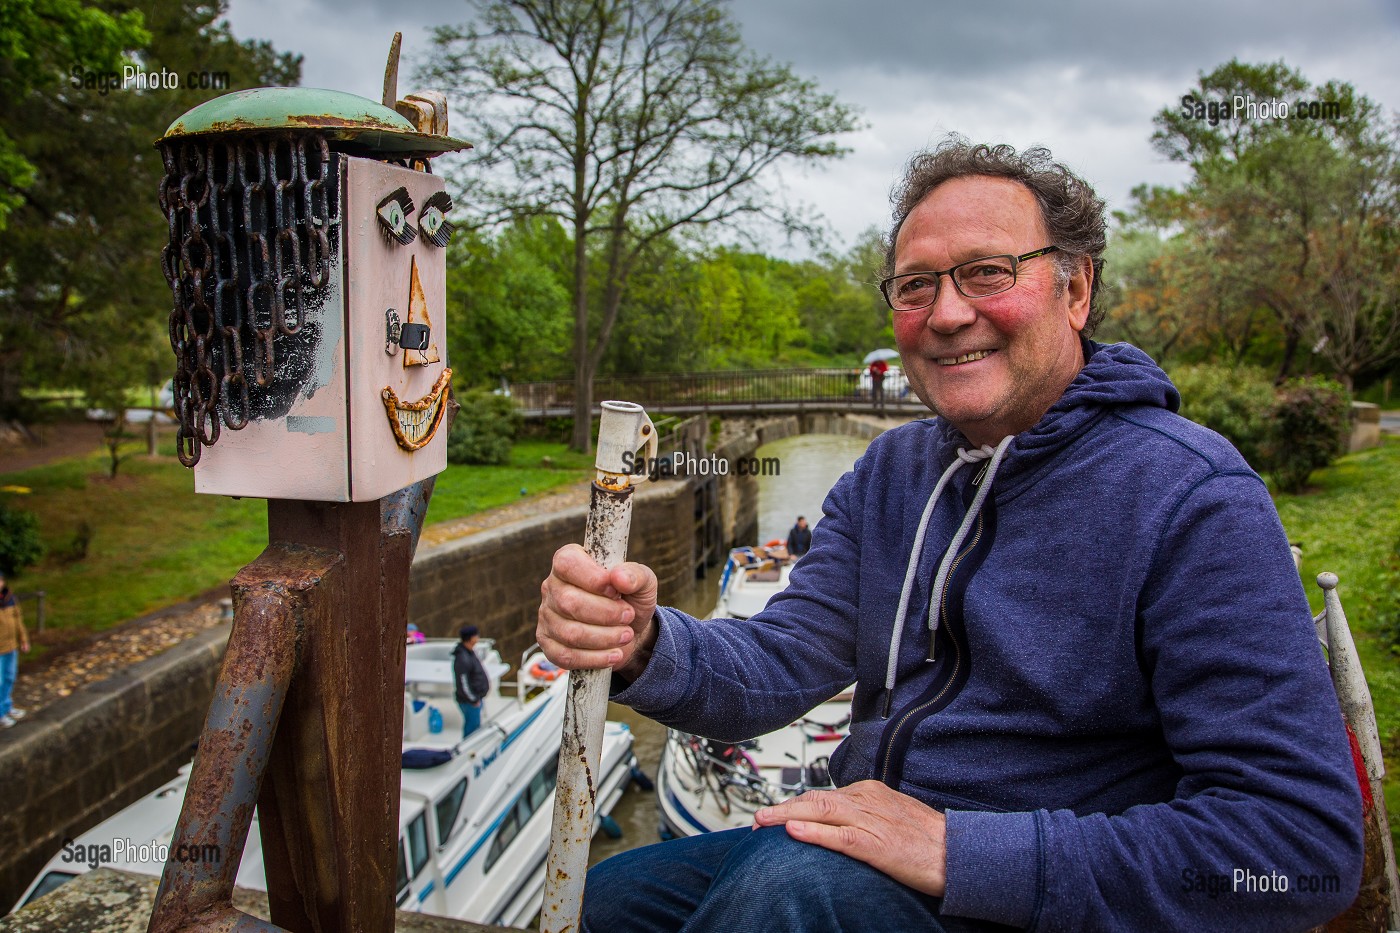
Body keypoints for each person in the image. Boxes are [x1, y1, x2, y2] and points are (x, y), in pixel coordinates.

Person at [537, 139, 1363, 932]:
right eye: (915, 285)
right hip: (875, 861)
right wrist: (639, 641)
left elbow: (1295, 847)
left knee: (787, 897)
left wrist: (961, 850)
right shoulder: (892, 471)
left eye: (986, 273)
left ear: (1075, 293)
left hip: (1055, 898)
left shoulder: (1192, 497)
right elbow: (781, 659)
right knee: (609, 900)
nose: (948, 313)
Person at [0, 573, 29, 729]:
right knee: (0, 681)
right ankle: (1, 714)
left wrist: (23, 639)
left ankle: (7, 706)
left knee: (9, 677)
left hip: (12, 646)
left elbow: (18, 620)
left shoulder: (10, 599)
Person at [452, 624, 490, 738]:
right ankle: (468, 751)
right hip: (469, 701)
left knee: (475, 727)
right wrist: (473, 700)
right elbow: (463, 683)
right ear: (471, 638)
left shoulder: (469, 652)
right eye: (476, 635)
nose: (478, 638)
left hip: (475, 698)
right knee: (471, 729)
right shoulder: (462, 658)